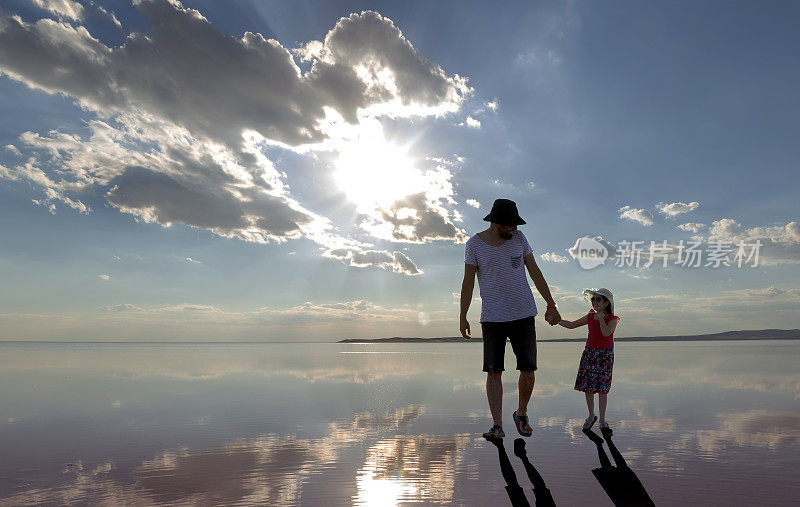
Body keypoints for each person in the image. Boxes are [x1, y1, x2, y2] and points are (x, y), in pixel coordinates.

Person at [460, 198, 561, 440]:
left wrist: (551, 304)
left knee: (528, 369)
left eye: (515, 225)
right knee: (493, 372)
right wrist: (462, 316)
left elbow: (535, 271)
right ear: (496, 222)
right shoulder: (474, 244)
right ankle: (497, 424)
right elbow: (468, 282)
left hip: (524, 313)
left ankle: (521, 413)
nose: (513, 229)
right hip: (493, 318)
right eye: (509, 225)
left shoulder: (520, 239)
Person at [558, 288, 620, 431]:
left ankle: (603, 420)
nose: (594, 302)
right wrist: (557, 320)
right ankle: (591, 415)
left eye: (598, 299)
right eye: (593, 299)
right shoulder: (590, 316)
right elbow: (572, 325)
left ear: (606, 303)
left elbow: (606, 333)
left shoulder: (613, 319)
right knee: (588, 387)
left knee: (603, 388)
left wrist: (601, 318)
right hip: (590, 353)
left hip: (605, 355)